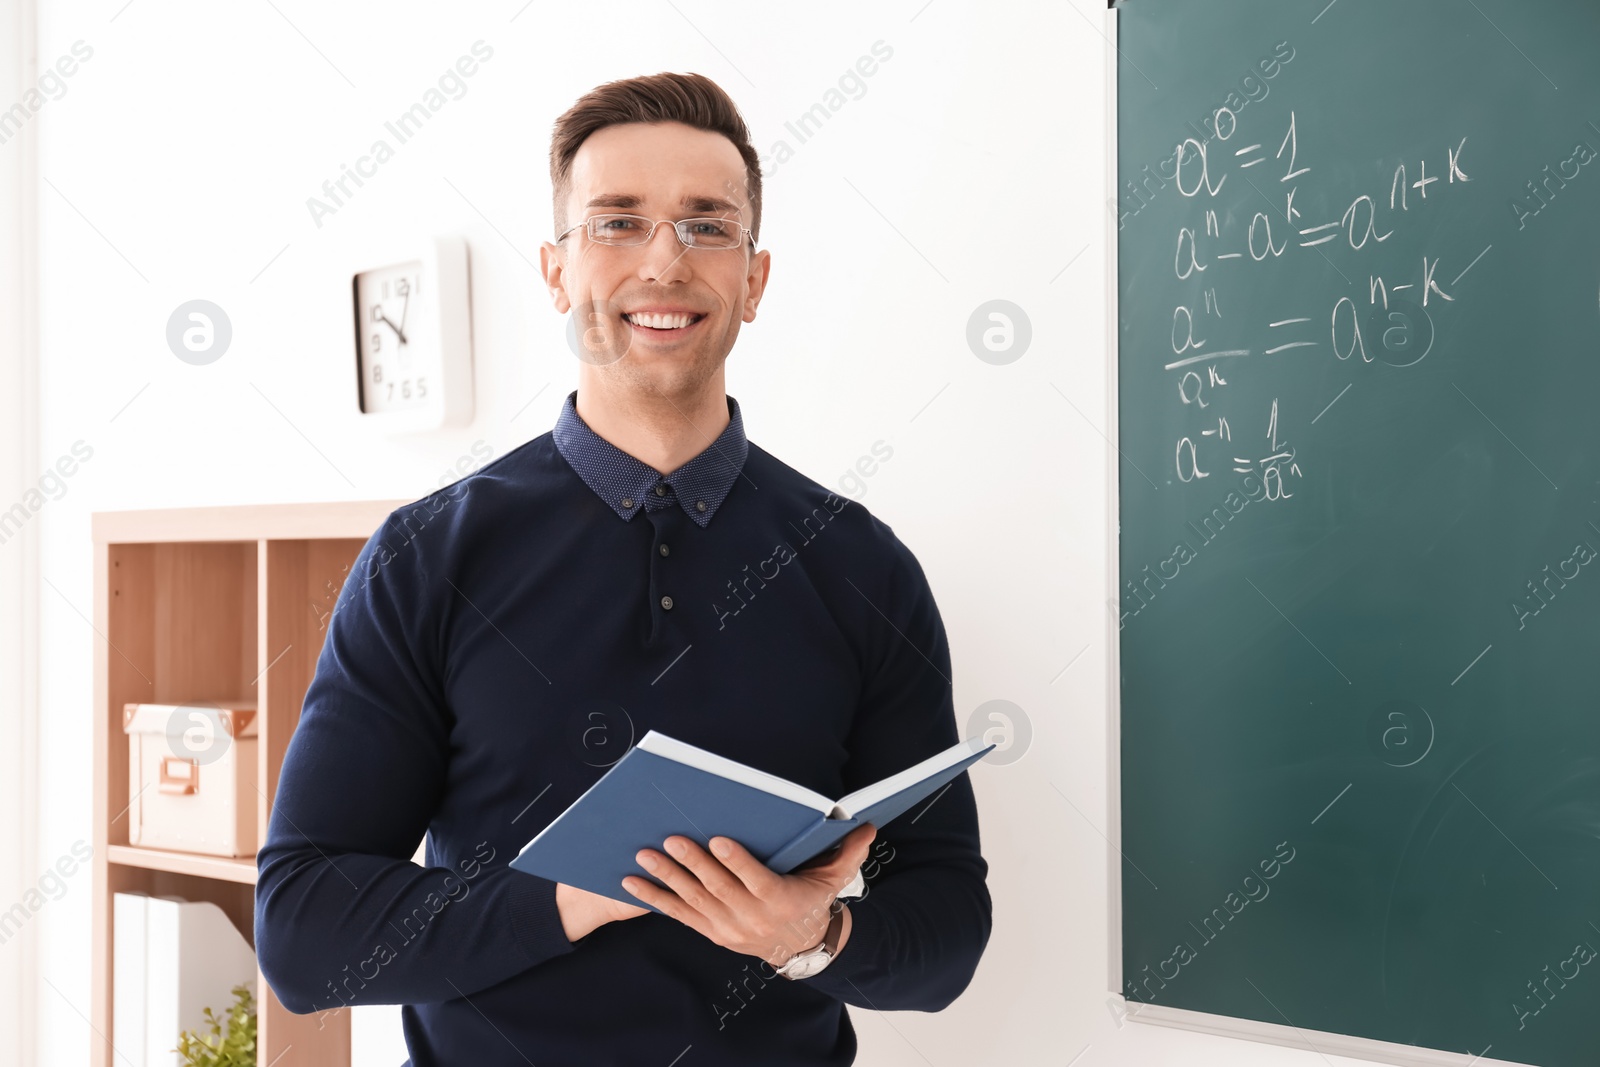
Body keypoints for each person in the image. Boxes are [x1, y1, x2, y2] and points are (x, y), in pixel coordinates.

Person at [256, 70, 991, 1066]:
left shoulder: (861, 565)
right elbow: (303, 933)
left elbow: (946, 930)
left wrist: (810, 937)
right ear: (557, 271)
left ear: (753, 278)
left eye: (705, 225)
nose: (663, 261)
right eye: (616, 222)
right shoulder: (429, 556)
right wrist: (572, 895)